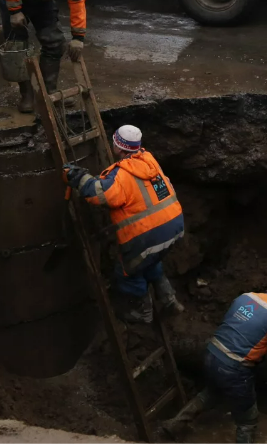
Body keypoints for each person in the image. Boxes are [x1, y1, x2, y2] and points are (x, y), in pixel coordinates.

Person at [65, 125, 185, 324]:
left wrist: (77, 177)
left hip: (149, 234)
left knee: (128, 271)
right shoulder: (149, 160)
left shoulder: (121, 175)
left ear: (119, 147)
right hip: (174, 226)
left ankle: (143, 312)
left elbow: (99, 194)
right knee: (150, 260)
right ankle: (169, 299)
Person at [162, 281, 267, 444]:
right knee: (247, 420)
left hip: (211, 354)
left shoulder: (246, 297)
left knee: (211, 393)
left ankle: (173, 425)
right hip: (234, 368)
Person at [0, 0, 92, 112]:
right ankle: (27, 96)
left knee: (55, 43)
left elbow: (78, 2)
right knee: (18, 46)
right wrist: (15, 10)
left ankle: (48, 94)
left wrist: (78, 37)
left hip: (42, 0)